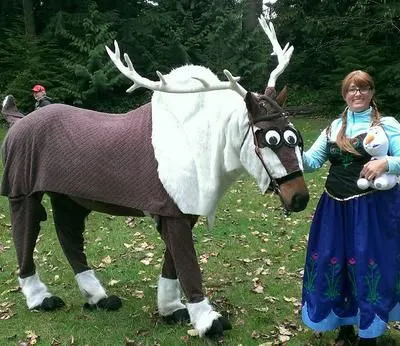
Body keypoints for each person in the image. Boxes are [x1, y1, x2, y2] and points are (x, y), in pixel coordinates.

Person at [300, 70, 400, 346]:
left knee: (368, 263)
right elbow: (310, 162)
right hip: (334, 207)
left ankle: (370, 333)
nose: (357, 94)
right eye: (352, 89)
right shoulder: (334, 127)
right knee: (336, 263)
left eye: (363, 88)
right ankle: (344, 325)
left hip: (373, 209)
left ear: (371, 93)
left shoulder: (387, 125)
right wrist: (291, 145)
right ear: (344, 94)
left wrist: (386, 163)